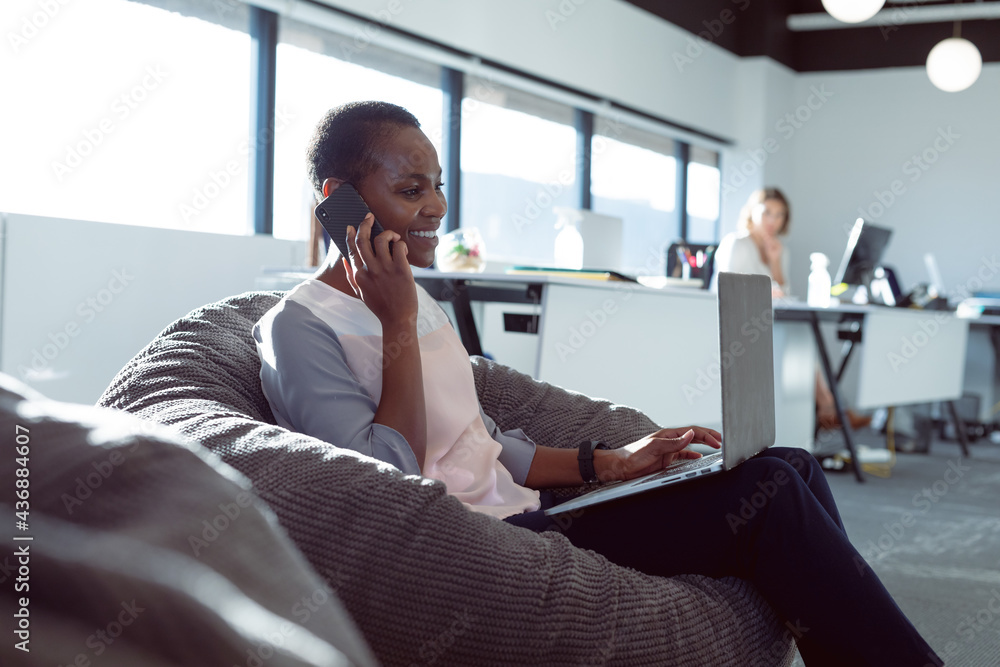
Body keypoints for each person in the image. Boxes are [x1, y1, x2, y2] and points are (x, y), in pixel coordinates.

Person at [253, 101, 940, 666]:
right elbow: (382, 478)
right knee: (773, 496)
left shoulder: (415, 296)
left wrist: (612, 461)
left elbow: (484, 443)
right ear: (339, 201)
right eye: (411, 189)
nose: (434, 205)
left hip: (532, 507)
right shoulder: (300, 327)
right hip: (491, 545)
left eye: (437, 185)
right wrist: (396, 319)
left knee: (789, 463)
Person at [712, 188, 870, 432]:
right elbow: (729, 290)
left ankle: (823, 409)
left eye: (780, 215)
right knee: (802, 336)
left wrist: (774, 261)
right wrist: (766, 292)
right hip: (738, 322)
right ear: (753, 212)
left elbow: (782, 291)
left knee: (803, 335)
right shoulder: (737, 243)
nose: (773, 221)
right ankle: (828, 407)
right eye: (767, 213)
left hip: (767, 320)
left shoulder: (780, 249)